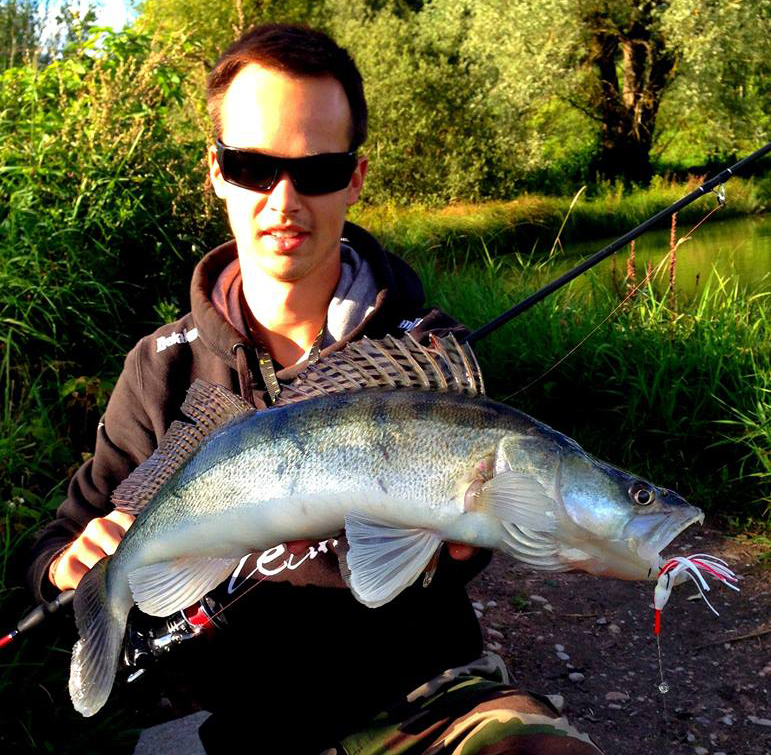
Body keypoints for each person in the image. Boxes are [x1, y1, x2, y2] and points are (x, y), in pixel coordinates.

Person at [27, 23, 604, 755]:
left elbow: (485, 537)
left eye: (319, 170)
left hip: (423, 698)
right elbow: (55, 540)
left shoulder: (428, 354)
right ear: (215, 170)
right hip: (232, 722)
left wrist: (473, 536)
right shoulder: (163, 369)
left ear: (356, 177)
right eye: (253, 164)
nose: (284, 198)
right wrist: (69, 561)